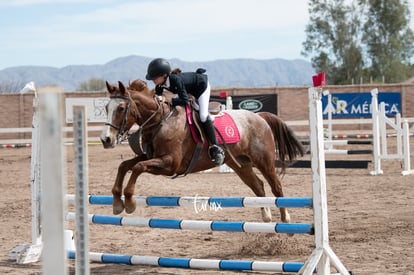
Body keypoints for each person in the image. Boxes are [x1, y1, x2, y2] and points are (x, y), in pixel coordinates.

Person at [145, 58, 225, 166]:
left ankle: (216, 147)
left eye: (155, 77)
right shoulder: (159, 85)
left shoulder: (175, 80)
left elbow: (184, 101)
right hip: (189, 90)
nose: (152, 80)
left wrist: (169, 100)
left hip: (201, 87)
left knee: (202, 115)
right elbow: (158, 98)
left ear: (164, 75)